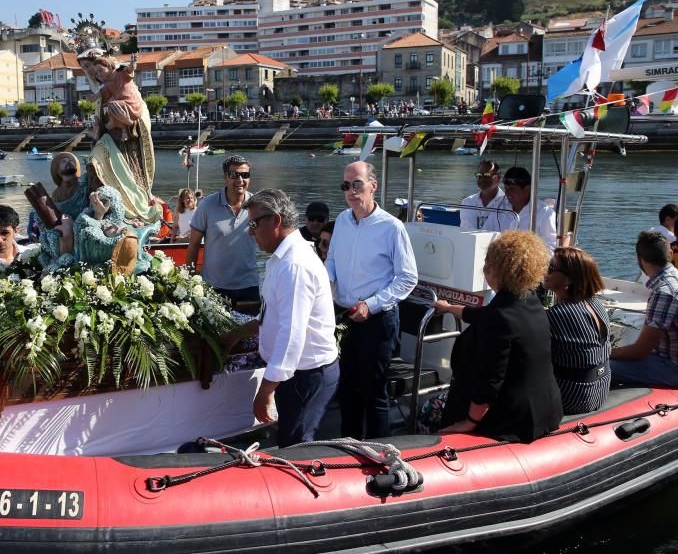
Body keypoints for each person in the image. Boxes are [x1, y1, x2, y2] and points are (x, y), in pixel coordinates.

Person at [224, 189, 339, 446]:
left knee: (297, 446)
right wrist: (236, 335)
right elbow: (271, 315)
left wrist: (265, 390)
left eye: (253, 224)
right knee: (289, 439)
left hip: (307, 375)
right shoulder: (281, 259)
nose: (250, 232)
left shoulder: (293, 265)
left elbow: (292, 334)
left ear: (275, 220)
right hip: (296, 375)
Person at [433, 230, 562, 443]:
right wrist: (449, 308)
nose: (485, 269)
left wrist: (469, 422)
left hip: (511, 418)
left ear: (497, 270)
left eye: (488, 264)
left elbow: (489, 381)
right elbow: (484, 315)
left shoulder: (499, 317)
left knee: (430, 412)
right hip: (544, 409)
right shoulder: (529, 301)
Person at [326, 161, 418, 439]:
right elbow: (332, 260)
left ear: (373, 187)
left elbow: (408, 278)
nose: (351, 191)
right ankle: (348, 448)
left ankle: (381, 455)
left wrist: (372, 305)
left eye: (357, 184)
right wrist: (323, 283)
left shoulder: (392, 227)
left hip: (377, 320)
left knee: (374, 392)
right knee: (347, 390)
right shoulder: (342, 220)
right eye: (346, 186)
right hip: (343, 315)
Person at [610, 231, 678, 389]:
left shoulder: (665, 293)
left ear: (640, 259)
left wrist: (604, 354)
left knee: (599, 368)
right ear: (670, 254)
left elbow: (640, 351)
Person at [79, 50, 162, 225]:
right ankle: (107, 206)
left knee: (128, 172)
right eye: (87, 69)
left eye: (92, 67)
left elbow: (129, 73)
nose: (92, 73)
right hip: (109, 135)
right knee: (95, 161)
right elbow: (101, 104)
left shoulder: (119, 77)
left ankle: (130, 207)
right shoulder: (104, 87)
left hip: (127, 136)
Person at [543, 247, 611, 414]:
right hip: (600, 390)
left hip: (574, 396)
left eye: (551, 268)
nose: (545, 271)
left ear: (569, 279)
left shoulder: (557, 315)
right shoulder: (595, 304)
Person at [186, 155, 260, 306]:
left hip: (249, 286)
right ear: (225, 177)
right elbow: (193, 246)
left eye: (245, 175)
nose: (240, 180)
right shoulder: (207, 205)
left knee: (250, 329)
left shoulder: (257, 206)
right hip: (214, 286)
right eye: (234, 175)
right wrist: (190, 280)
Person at [500, 166, 558, 252]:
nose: (508, 193)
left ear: (526, 189)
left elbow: (552, 247)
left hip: (533, 262)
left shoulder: (545, 214)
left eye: (512, 189)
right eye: (506, 188)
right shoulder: (499, 208)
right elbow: (487, 232)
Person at [459, 159, 512, 231]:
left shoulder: (509, 204)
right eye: (479, 175)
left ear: (498, 178)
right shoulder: (467, 202)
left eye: (487, 175)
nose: (482, 179)